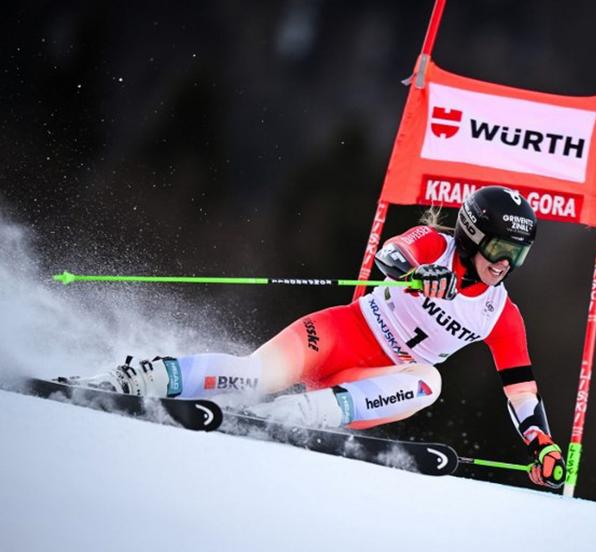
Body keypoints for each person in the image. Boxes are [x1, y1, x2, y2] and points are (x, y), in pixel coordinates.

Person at [70, 185, 565, 488]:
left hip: (368, 382)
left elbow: (521, 391)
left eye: (518, 255)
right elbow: (393, 255)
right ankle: (141, 376)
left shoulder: (502, 315)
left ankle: (293, 417)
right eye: (500, 248)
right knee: (252, 376)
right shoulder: (435, 244)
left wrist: (540, 445)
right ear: (474, 235)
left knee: (429, 381)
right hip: (338, 334)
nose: (505, 265)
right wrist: (419, 273)